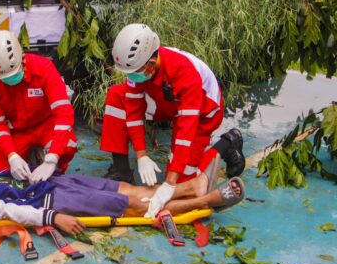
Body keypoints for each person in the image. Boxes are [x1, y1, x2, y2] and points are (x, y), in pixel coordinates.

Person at [100, 23, 245, 218]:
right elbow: (133, 110)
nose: (132, 77)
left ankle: (227, 143)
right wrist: (142, 155)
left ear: (152, 60)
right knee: (118, 96)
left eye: (136, 71)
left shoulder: (185, 73)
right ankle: (121, 170)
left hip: (202, 114)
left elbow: (185, 133)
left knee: (183, 185)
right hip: (166, 102)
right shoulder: (138, 69)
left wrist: (169, 184)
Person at [0, 166, 245, 234]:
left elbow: (0, 173)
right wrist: (52, 219)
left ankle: (188, 188)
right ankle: (211, 199)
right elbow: (7, 211)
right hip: (49, 201)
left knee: (123, 189)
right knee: (134, 208)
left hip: (47, 182)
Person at [0, 30, 76, 183]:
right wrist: (12, 156)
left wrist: (52, 158)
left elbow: (64, 114)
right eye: (4, 78)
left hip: (46, 125)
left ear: (21, 57)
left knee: (67, 146)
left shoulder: (44, 68)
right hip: (17, 132)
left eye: (13, 73)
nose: (9, 80)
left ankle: (53, 166)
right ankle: (29, 157)